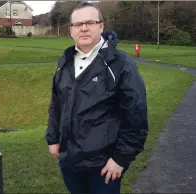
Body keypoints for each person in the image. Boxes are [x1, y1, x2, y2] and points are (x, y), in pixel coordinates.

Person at [45, 2, 148, 194]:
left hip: (104, 165)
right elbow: (57, 104)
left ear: (101, 26)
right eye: (78, 24)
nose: (83, 28)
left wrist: (120, 159)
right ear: (71, 30)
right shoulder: (65, 62)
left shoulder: (120, 63)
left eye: (90, 22)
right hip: (70, 161)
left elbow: (136, 115)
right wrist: (53, 139)